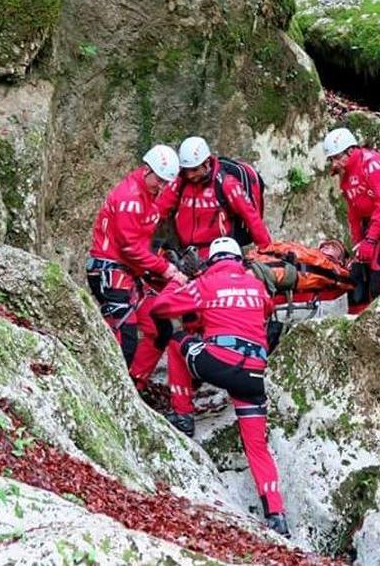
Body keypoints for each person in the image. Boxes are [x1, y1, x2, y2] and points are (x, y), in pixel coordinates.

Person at [148, 237, 289, 537]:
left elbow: (160, 307)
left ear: (211, 262)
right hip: (252, 375)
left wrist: (177, 278)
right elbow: (260, 310)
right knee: (257, 447)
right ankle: (276, 515)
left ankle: (183, 414)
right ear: (240, 261)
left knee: (176, 343)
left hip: (219, 362)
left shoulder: (206, 284)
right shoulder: (257, 287)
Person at [86, 145, 187, 390]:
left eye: (166, 183)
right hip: (110, 272)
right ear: (147, 170)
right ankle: (111, 391)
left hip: (129, 272)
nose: (162, 187)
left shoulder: (150, 195)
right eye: (160, 181)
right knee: (125, 337)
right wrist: (165, 269)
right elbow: (129, 246)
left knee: (159, 328)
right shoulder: (129, 198)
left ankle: (134, 386)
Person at [322, 127, 380, 314]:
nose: (335, 163)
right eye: (332, 159)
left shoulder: (372, 165)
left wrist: (371, 240)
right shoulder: (345, 175)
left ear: (351, 150)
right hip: (373, 225)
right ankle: (358, 327)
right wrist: (359, 242)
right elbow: (354, 212)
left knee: (379, 282)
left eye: (337, 157)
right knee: (358, 281)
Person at [155, 136, 271, 258]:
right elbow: (159, 209)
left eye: (194, 170)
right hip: (184, 252)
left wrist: (267, 250)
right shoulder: (180, 182)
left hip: (216, 254)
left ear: (206, 163)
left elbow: (251, 217)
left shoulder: (226, 184)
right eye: (186, 170)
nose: (189, 175)